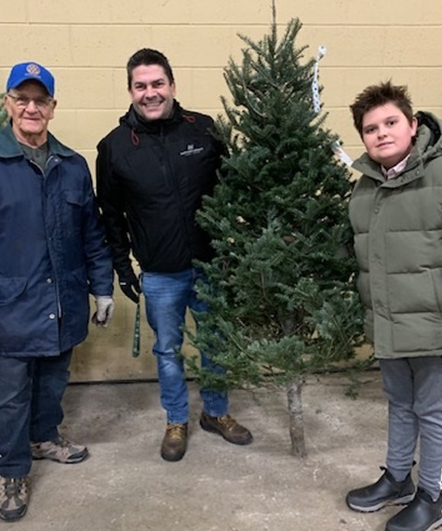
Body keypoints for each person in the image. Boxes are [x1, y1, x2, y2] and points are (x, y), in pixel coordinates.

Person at [0, 61, 114, 522]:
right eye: (23, 99)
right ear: (8, 104)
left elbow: (92, 235)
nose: (31, 108)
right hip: (10, 309)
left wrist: (102, 289)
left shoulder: (73, 166)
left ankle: (44, 438)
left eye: (41, 100)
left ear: (53, 108)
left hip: (63, 303)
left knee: (53, 383)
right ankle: (13, 472)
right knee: (12, 398)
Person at [345, 81, 442, 531]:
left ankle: (431, 497)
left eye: (391, 122)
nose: (381, 133)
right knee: (399, 403)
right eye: (370, 128)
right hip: (391, 326)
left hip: (439, 327)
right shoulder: (367, 187)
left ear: (413, 125)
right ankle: (397, 478)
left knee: (433, 412)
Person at [96, 48, 253, 463]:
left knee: (217, 343)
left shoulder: (204, 130)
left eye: (157, 83)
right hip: (160, 274)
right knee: (167, 351)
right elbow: (110, 215)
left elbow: (233, 190)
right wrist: (122, 268)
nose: (150, 93)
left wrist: (238, 250)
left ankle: (215, 412)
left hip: (211, 265)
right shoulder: (114, 148)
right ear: (130, 91)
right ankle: (176, 420)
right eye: (140, 86)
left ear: (172, 85)